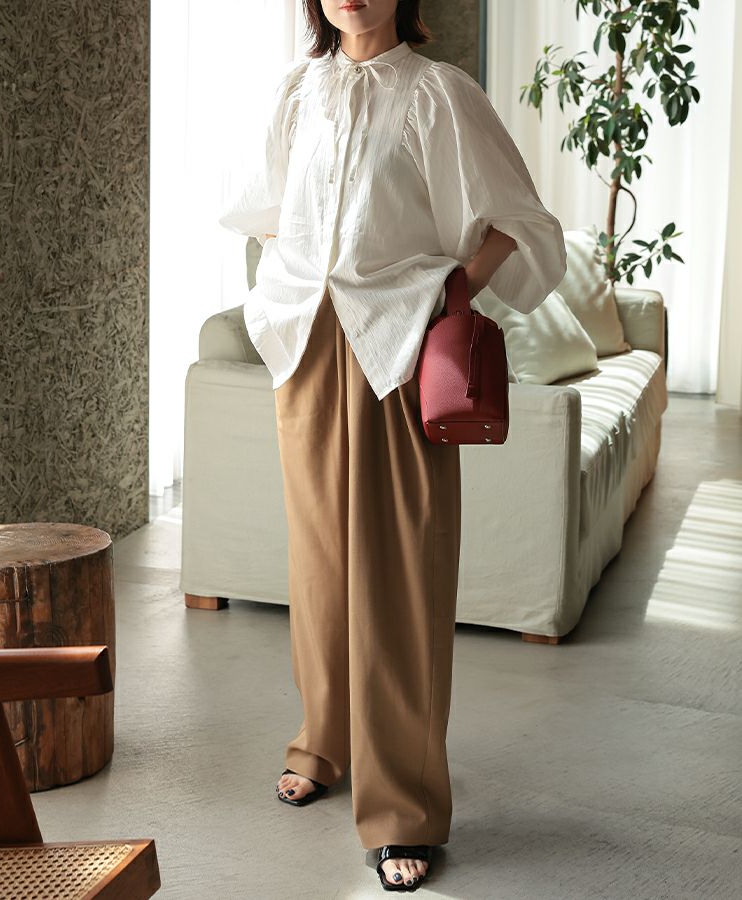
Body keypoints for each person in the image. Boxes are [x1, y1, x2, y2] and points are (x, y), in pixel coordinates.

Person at [219, 0, 566, 891]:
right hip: (307, 343)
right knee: (319, 564)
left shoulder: (439, 93)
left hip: (399, 348)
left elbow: (519, 219)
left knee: (402, 572)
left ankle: (404, 806)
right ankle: (323, 743)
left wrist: (453, 289)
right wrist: (300, 279)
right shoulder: (297, 91)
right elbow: (265, 211)